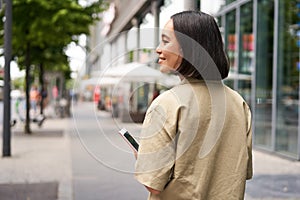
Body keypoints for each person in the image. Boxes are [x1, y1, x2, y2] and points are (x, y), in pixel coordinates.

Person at [134, 11, 253, 200]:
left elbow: (153, 184)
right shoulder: (238, 103)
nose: (158, 49)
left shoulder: (167, 104)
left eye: (165, 41)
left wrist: (143, 157)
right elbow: (241, 172)